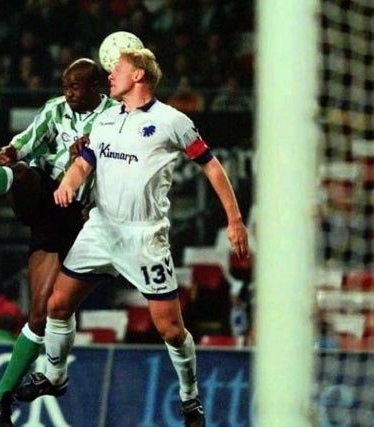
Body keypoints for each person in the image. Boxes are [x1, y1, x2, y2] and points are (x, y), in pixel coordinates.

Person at [14, 48, 250, 427]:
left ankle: (190, 398)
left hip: (144, 238)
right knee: (57, 305)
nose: (110, 76)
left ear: (138, 75)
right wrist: (68, 185)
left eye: (118, 70)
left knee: (171, 330)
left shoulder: (172, 121)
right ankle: (54, 375)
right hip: (101, 229)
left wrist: (235, 220)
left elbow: (213, 168)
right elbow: (83, 162)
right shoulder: (106, 122)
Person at [0, 58, 118, 427]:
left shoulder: (116, 117)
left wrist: (90, 161)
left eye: (75, 86)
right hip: (45, 194)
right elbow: (24, 143)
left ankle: (0, 397)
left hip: (75, 214)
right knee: (20, 172)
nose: (68, 92)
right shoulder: (56, 109)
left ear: (95, 87)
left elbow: (123, 167)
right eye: (65, 85)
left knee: (40, 313)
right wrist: (10, 152)